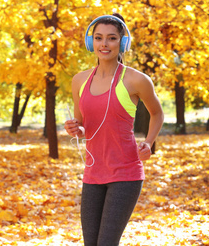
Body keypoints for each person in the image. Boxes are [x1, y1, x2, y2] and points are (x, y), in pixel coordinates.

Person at [64, 13, 164, 246]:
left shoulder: (136, 80)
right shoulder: (79, 80)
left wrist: (148, 142)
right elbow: (83, 127)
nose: (104, 44)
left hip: (126, 172)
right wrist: (74, 129)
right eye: (98, 38)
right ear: (92, 43)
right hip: (93, 172)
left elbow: (157, 113)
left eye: (111, 38)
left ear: (122, 42)